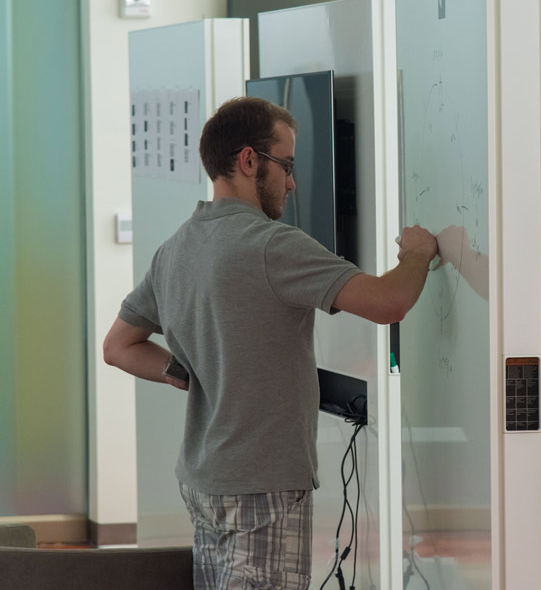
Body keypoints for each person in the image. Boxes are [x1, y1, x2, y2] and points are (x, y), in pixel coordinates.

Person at [103, 97, 437, 590]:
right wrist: (417, 254)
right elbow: (389, 303)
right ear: (248, 160)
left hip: (203, 480)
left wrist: (190, 374)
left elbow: (119, 346)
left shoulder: (174, 249)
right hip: (261, 488)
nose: (293, 181)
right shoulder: (273, 245)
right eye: (288, 165)